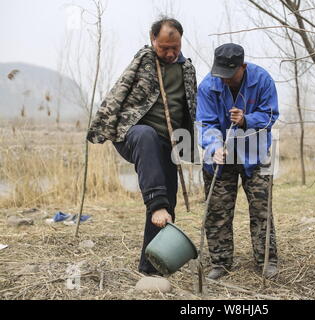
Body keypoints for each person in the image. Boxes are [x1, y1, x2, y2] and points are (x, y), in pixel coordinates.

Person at [87, 17, 197, 276]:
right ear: (153, 40)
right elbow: (119, 92)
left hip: (167, 142)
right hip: (134, 136)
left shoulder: (187, 69)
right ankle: (157, 202)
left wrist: (190, 145)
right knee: (147, 135)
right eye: (164, 48)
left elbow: (190, 109)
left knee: (167, 205)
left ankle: (152, 267)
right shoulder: (145, 61)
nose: (170, 53)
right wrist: (101, 127)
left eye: (175, 48)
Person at [196, 43, 279, 279]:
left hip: (255, 153)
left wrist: (246, 120)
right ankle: (220, 263)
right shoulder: (207, 86)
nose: (225, 79)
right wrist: (214, 146)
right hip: (220, 157)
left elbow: (271, 115)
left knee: (262, 208)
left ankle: (266, 260)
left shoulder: (262, 80)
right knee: (217, 210)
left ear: (242, 66)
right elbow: (205, 123)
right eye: (221, 74)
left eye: (230, 74)